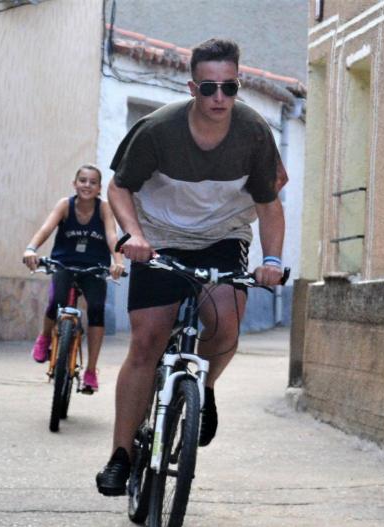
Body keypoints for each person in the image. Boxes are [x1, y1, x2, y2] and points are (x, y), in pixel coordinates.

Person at [96, 38, 287, 496]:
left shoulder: (253, 132)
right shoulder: (158, 130)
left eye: (229, 87)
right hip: (160, 239)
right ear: (192, 87)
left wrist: (272, 260)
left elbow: (269, 203)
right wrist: (133, 235)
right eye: (208, 88)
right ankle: (121, 455)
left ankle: (205, 386)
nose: (219, 97)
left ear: (238, 85)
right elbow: (118, 188)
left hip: (222, 237)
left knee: (225, 326)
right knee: (146, 341)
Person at [23, 164, 125, 392]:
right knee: (56, 300)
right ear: (75, 183)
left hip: (94, 267)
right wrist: (31, 249)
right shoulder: (65, 205)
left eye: (93, 182)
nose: (87, 185)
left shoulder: (103, 208)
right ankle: (45, 338)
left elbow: (111, 236)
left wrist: (118, 261)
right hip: (64, 264)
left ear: (99, 188)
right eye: (83, 180)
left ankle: (90, 371)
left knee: (96, 309)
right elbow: (46, 228)